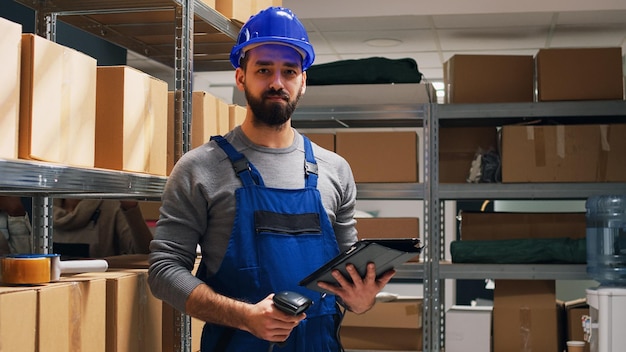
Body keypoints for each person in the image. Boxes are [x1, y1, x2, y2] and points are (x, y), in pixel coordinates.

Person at [148, 6, 396, 352]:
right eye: (264, 70)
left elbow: (348, 281)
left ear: (303, 81)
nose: (277, 82)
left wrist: (362, 300)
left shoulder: (335, 170)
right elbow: (163, 271)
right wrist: (245, 316)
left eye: (289, 71)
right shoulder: (199, 168)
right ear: (241, 77)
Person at [52, 198, 153, 258]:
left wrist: (131, 209)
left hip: (99, 290)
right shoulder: (42, 206)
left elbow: (144, 255)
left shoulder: (112, 207)